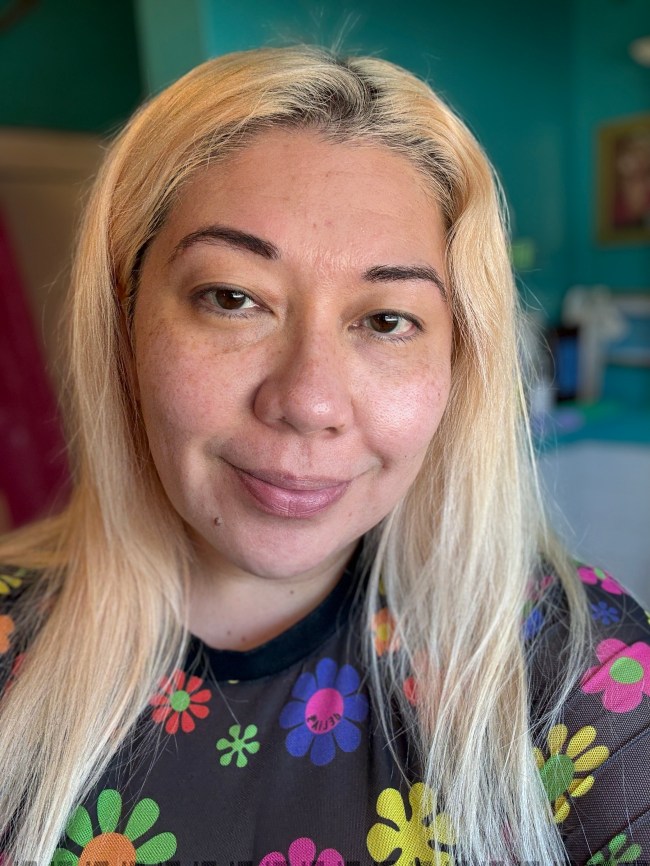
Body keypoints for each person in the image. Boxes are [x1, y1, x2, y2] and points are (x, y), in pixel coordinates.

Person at [0, 44, 648, 866]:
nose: (308, 402)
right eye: (233, 298)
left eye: (386, 321)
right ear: (124, 320)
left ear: (458, 359)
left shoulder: (580, 676)